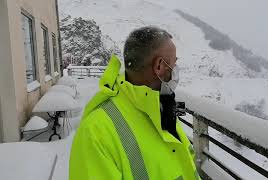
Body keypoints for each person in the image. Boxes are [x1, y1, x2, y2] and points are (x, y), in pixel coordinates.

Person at [69, 26, 200, 180]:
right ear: (160, 66)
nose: (176, 70)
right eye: (174, 63)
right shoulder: (95, 133)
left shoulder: (160, 107)